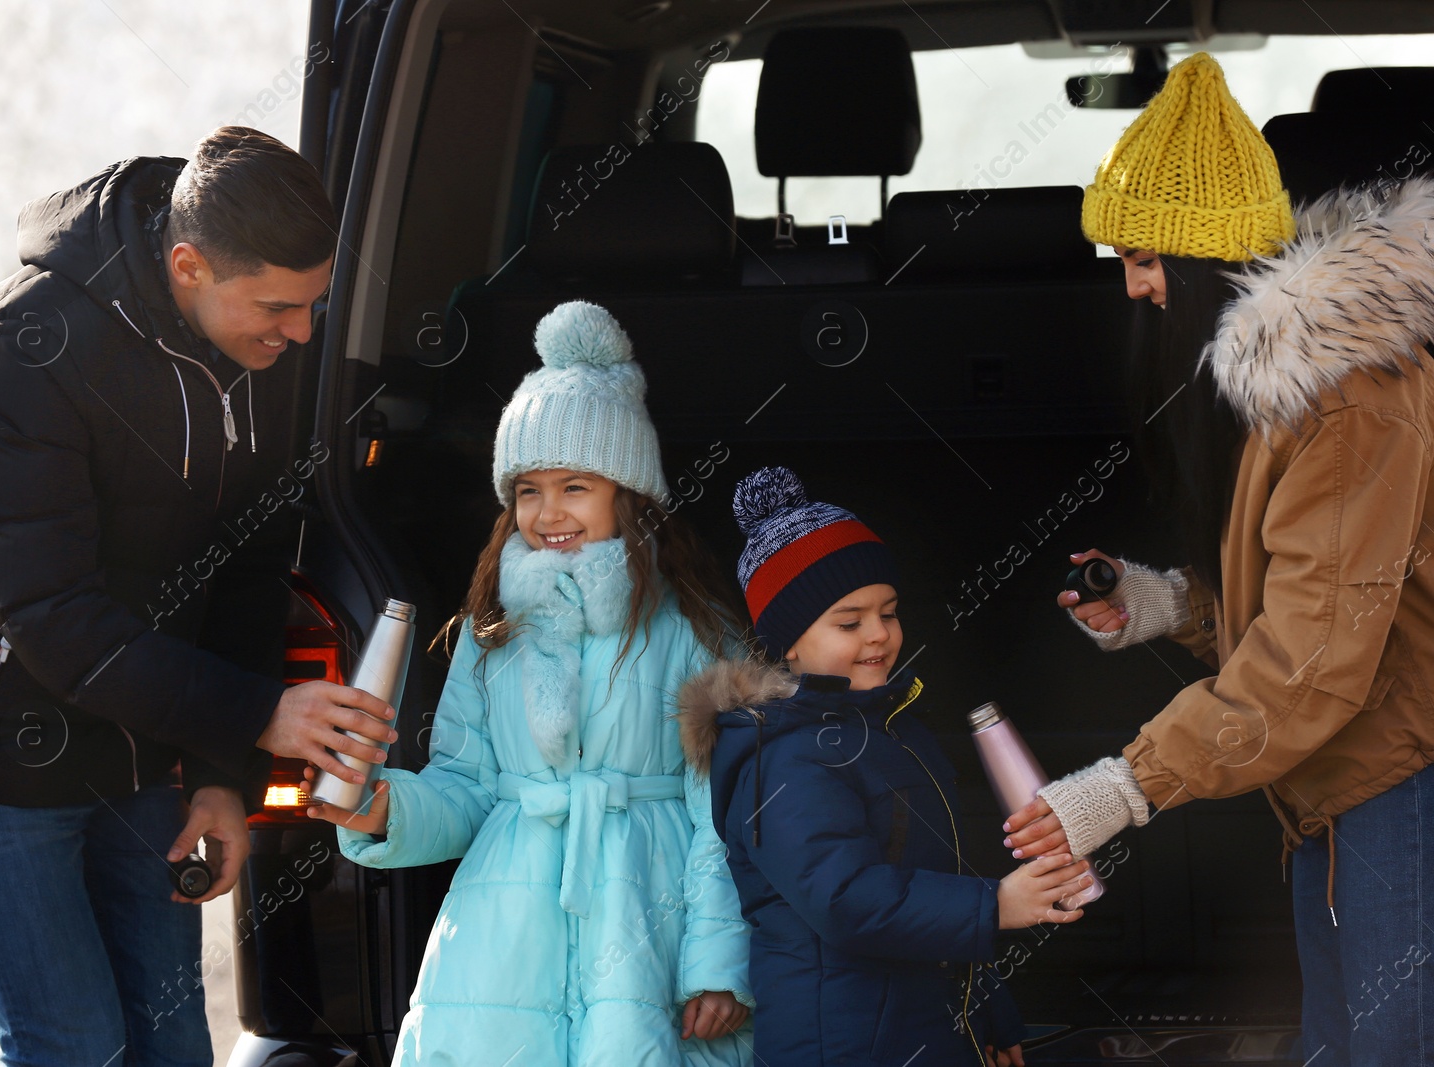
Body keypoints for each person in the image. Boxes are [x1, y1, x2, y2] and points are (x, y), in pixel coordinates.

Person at [0, 126, 400, 1067]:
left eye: (313, 305)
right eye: (279, 306)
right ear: (188, 265)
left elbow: (250, 568)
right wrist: (261, 713)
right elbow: (50, 617)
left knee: (170, 1039)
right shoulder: (26, 350)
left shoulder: (264, 355)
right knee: (75, 1044)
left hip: (141, 733)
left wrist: (222, 773)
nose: (303, 333)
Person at [1001, 53, 1434, 1064]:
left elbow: (1312, 664)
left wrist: (1123, 784)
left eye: (1143, 258)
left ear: (1204, 256)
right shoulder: (1290, 384)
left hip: (1398, 781)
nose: (1134, 287)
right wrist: (1162, 605)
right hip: (1341, 781)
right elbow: (1309, 601)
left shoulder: (1352, 395)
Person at [306, 301, 755, 1065]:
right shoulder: (493, 632)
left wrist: (718, 962)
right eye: (528, 490)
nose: (549, 512)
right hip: (505, 935)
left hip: (650, 919)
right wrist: (385, 809)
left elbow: (724, 811)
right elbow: (467, 782)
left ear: (630, 493)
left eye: (576, 486)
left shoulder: (696, 628)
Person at [677, 467, 1092, 1067]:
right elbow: (846, 900)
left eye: (889, 612)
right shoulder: (783, 757)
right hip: (841, 1043)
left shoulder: (893, 730)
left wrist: (990, 1021)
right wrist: (996, 904)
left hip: (924, 1031)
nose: (879, 635)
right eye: (849, 622)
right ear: (787, 641)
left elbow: (937, 887)